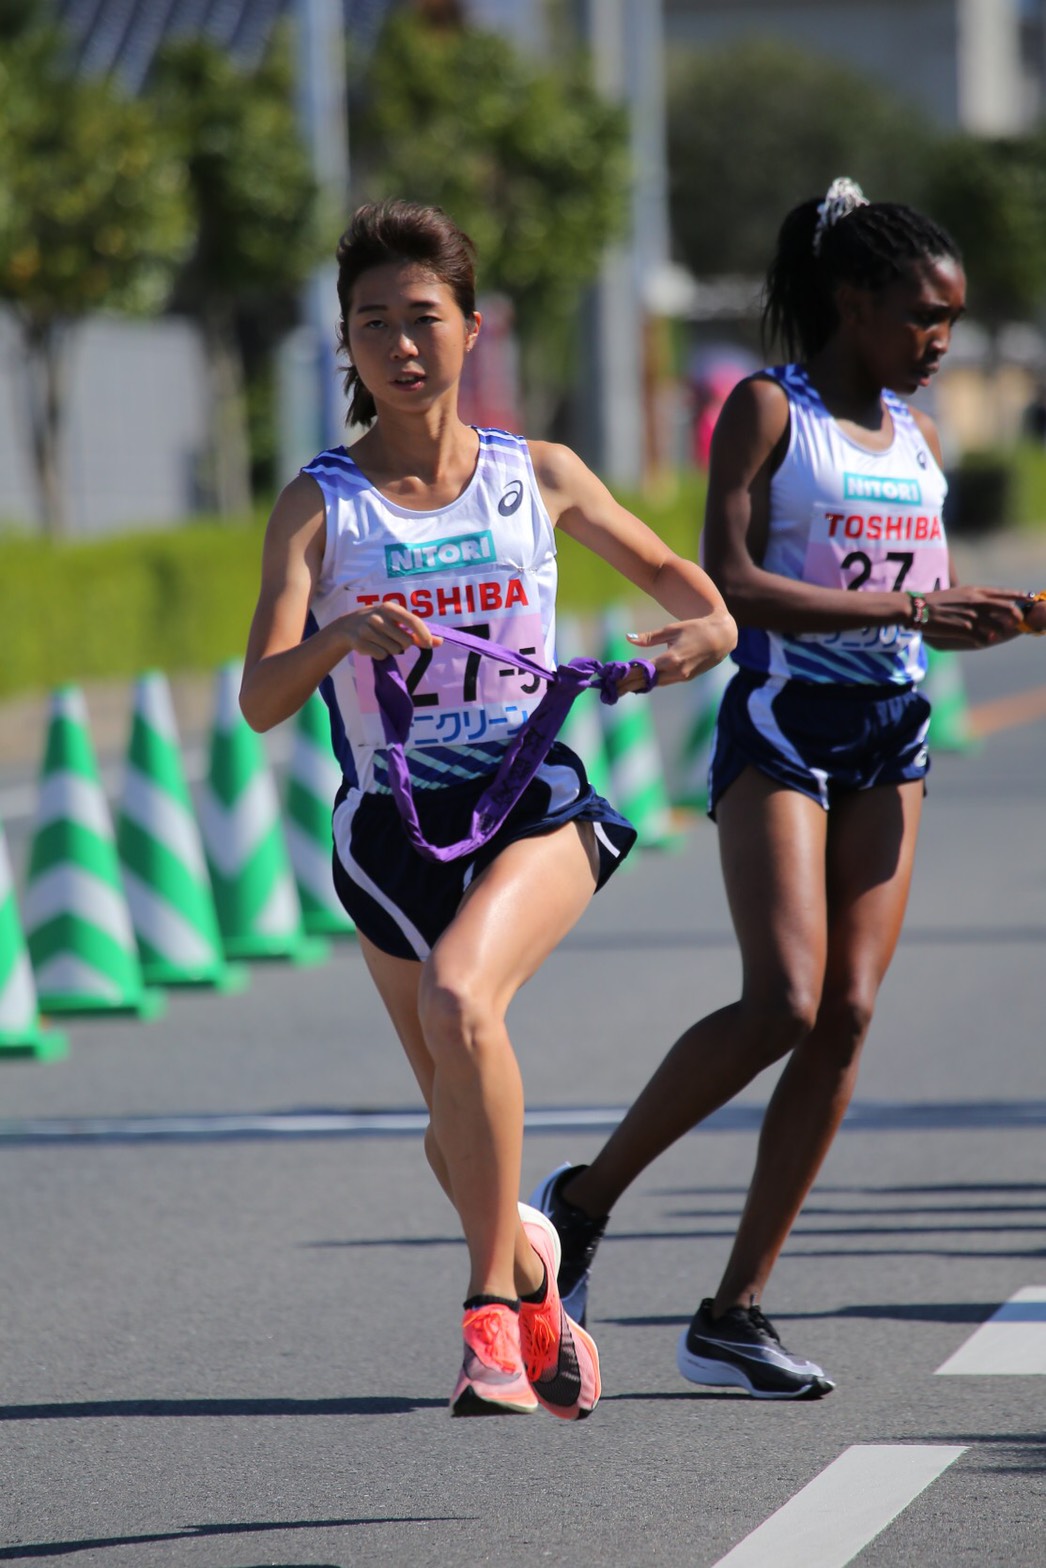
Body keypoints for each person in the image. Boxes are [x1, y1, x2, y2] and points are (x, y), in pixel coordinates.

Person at [530, 176, 1032, 1400]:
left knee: (849, 1012)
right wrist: (911, 604)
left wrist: (982, 618)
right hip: (779, 723)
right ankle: (581, 1205)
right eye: (923, 317)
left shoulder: (914, 436)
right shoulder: (768, 409)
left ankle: (734, 1309)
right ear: (850, 300)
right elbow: (729, 583)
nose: (938, 343)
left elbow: (918, 593)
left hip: (890, 730)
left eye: (952, 323)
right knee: (784, 1000)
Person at [239, 199, 736, 1419]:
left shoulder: (541, 477)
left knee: (466, 997)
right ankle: (533, 1259)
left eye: (423, 318)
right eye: (372, 325)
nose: (400, 345)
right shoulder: (319, 504)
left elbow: (697, 595)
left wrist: (700, 633)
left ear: (472, 327)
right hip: (390, 835)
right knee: (448, 1123)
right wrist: (338, 634)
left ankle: (490, 1320)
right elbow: (259, 697)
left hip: (530, 805)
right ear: (344, 347)